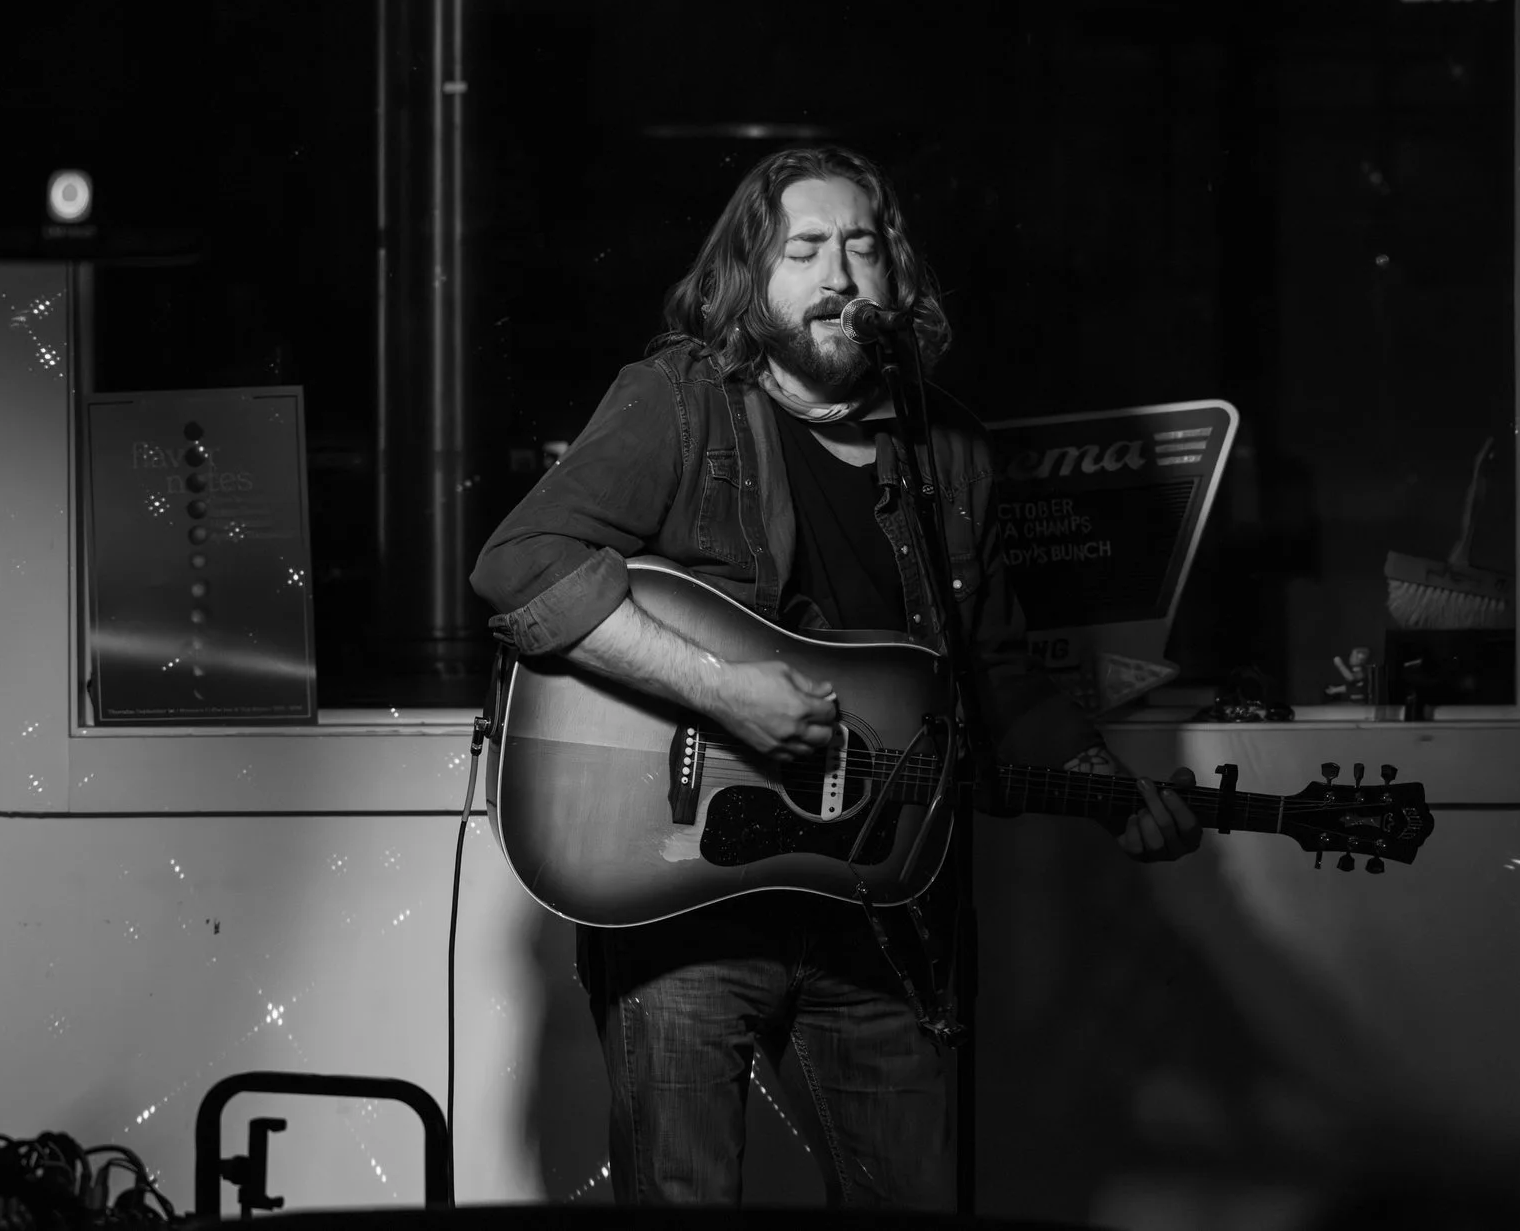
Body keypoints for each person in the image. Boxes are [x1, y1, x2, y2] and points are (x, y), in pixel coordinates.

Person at [470, 145, 1202, 1209]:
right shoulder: (678, 402)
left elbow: (992, 673)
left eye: (862, 245)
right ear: (748, 275)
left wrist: (1102, 782)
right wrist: (724, 691)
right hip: (683, 897)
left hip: (875, 905)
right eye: (804, 247)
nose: (839, 274)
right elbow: (520, 565)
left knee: (911, 1194)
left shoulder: (949, 449)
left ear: (896, 274)